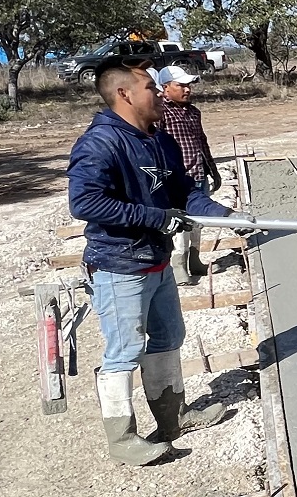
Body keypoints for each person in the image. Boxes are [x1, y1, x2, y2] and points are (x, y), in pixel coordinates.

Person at [69, 62, 237, 466]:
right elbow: (85, 202)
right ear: (124, 94)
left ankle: (172, 419)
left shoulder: (159, 140)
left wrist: (226, 215)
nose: (159, 93)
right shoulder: (101, 143)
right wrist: (155, 217)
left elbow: (184, 193)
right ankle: (123, 439)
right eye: (150, 87)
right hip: (119, 263)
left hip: (156, 258)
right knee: (125, 351)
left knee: (169, 336)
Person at [155, 64, 220, 286]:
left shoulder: (193, 112)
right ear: (165, 88)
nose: (187, 89)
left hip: (198, 174)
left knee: (198, 221)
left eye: (188, 85)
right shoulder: (161, 113)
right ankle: (179, 265)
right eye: (181, 85)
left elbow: (202, 141)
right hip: (178, 180)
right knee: (181, 223)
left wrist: (213, 169)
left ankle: (195, 259)